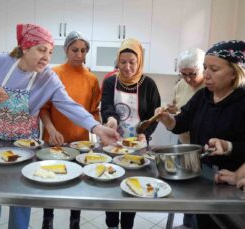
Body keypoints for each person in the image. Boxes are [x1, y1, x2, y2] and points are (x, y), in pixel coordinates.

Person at [0, 24, 120, 229]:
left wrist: (97, 128)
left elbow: (68, 105)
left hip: (25, 140)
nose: (47, 57)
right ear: (25, 48)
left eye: (50, 52)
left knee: (22, 187)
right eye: (42, 50)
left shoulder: (48, 77)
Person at [155, 40, 245, 229]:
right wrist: (166, 119)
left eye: (214, 69)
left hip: (231, 183)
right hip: (201, 176)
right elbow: (181, 124)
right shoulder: (202, 96)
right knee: (201, 221)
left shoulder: (242, 102)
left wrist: (229, 148)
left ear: (234, 73)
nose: (206, 75)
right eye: (205, 68)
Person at [40, 31, 101, 229]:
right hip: (53, 140)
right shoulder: (53, 73)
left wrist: (100, 134)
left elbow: (93, 113)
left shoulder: (91, 79)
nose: (79, 55)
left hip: (80, 143)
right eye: (75, 50)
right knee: (50, 182)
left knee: (77, 185)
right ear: (66, 49)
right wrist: (51, 129)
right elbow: (44, 108)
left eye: (83, 50)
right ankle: (47, 220)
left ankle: (75, 222)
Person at [101, 38, 161, 229]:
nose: (127, 67)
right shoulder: (110, 82)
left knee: (133, 186)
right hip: (113, 142)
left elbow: (154, 115)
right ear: (117, 61)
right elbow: (107, 106)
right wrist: (110, 119)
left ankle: (127, 225)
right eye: (123, 62)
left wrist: (145, 133)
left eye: (132, 62)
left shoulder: (149, 84)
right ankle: (111, 224)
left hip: (138, 145)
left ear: (139, 61)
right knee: (111, 183)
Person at [169, 48, 205, 229]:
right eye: (184, 74)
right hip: (183, 142)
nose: (189, 79)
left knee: (198, 192)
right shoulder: (181, 85)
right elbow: (179, 109)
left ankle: (192, 225)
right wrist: (171, 111)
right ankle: (186, 224)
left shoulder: (210, 86)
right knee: (184, 188)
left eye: (192, 74)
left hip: (201, 146)